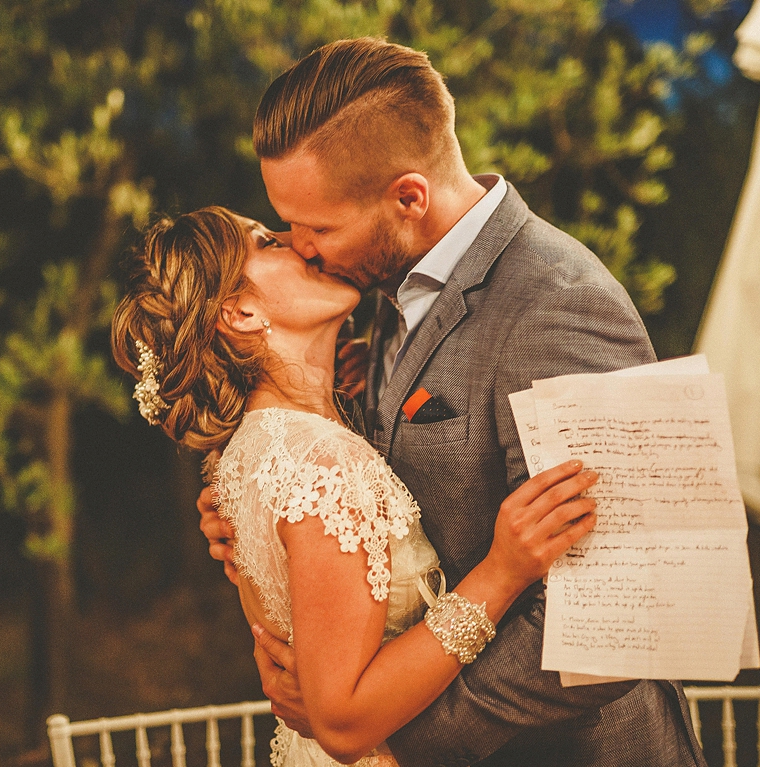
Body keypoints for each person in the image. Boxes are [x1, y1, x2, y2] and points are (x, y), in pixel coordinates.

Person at [197, 38, 708, 767]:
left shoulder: (562, 305)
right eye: (289, 227)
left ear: (409, 196)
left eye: (318, 228)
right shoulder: (377, 289)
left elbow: (619, 611)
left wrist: (400, 740)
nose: (302, 249)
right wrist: (266, 528)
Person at [111, 206, 600, 767]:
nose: (301, 243)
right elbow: (343, 722)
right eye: (269, 242)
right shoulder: (321, 463)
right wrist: (501, 573)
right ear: (240, 311)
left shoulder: (243, 455)